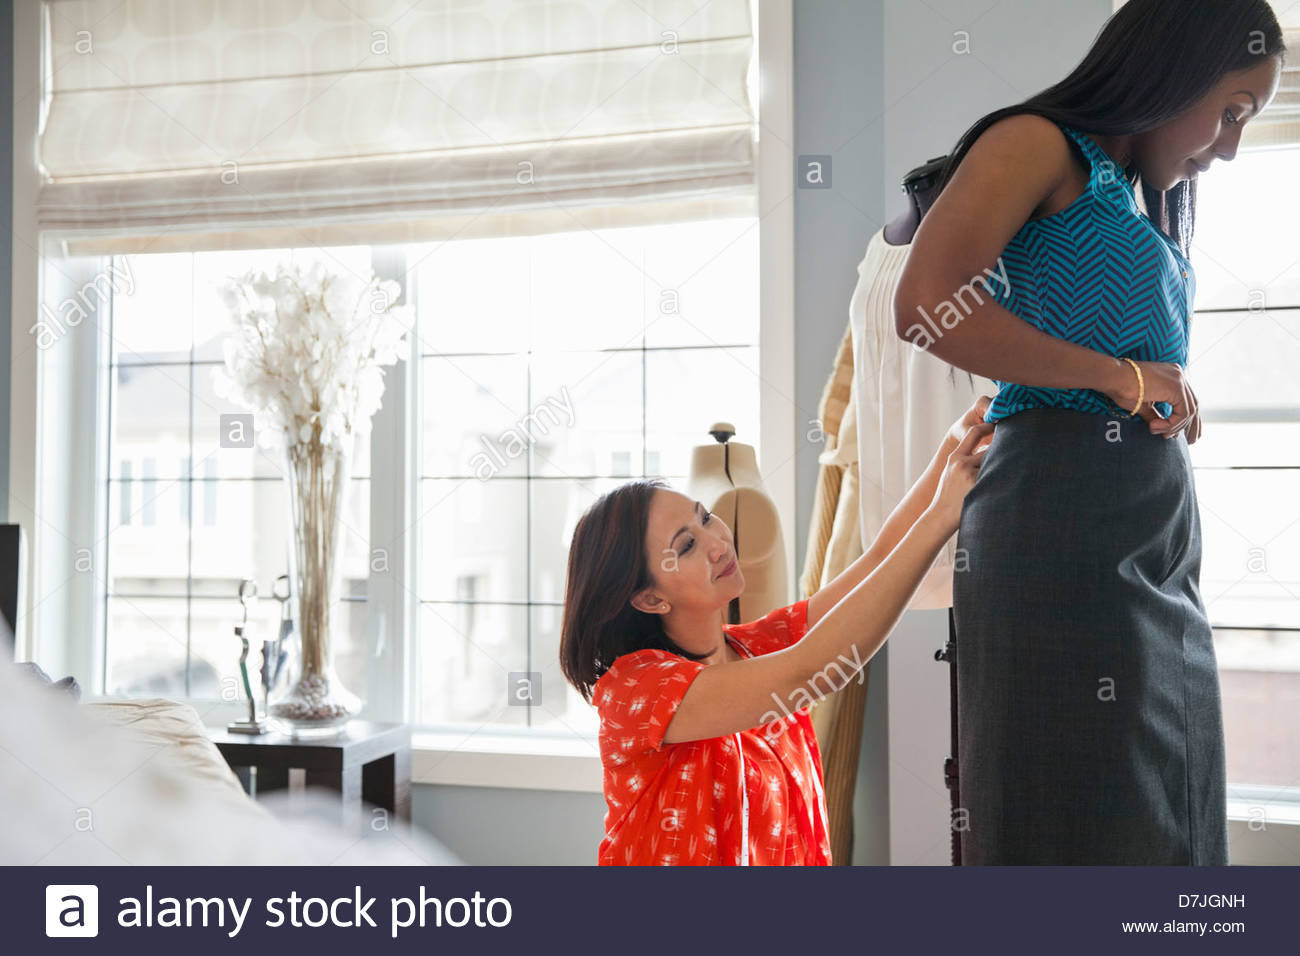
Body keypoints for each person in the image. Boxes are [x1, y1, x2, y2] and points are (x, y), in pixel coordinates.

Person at [892, 0, 1286, 864]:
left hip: (1149, 538)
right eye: (1229, 111)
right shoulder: (1039, 143)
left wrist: (1157, 390)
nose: (1228, 146)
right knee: (1080, 800)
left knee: (1168, 797)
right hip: (1059, 528)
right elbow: (923, 307)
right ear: (1172, 66)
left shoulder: (1139, 199)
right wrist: (1120, 377)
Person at [560, 399, 995, 865]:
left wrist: (954, 443)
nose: (717, 542)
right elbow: (812, 671)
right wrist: (940, 518)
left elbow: (876, 559)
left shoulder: (754, 645)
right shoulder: (636, 688)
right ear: (650, 599)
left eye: (705, 517)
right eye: (686, 546)